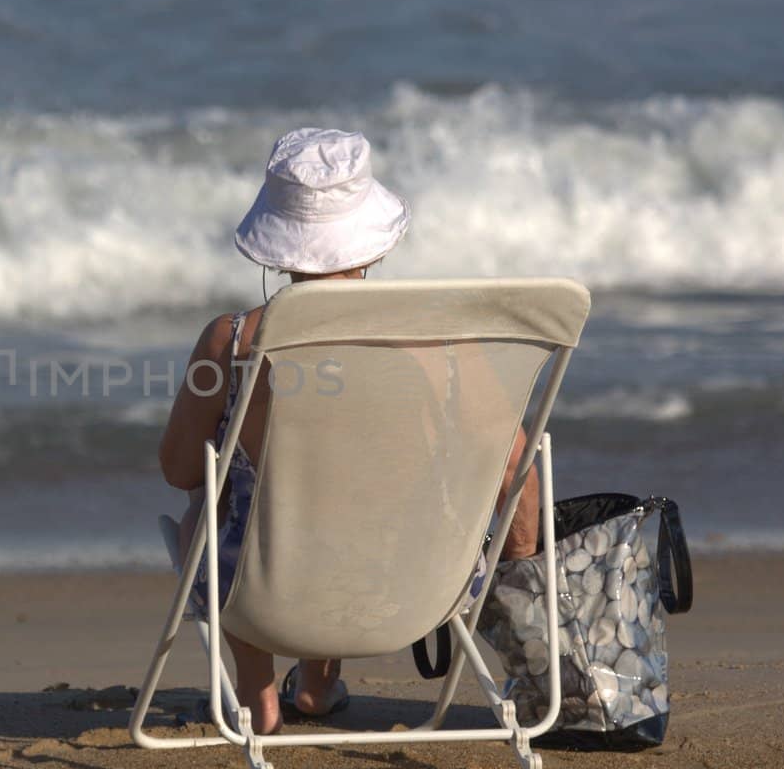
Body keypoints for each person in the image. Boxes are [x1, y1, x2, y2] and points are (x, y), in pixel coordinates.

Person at [157, 127, 542, 737]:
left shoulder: (229, 343)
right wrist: (520, 563)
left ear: (280, 250)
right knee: (355, 498)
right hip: (419, 586)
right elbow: (518, 472)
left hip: (267, 595)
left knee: (208, 507)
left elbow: (179, 468)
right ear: (370, 244)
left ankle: (260, 698)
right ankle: (315, 686)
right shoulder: (443, 342)